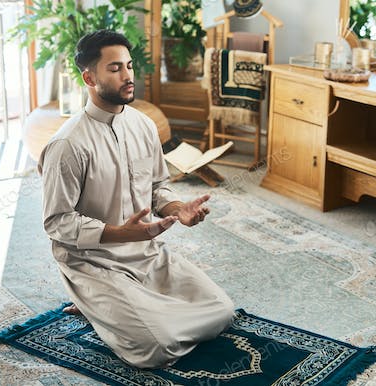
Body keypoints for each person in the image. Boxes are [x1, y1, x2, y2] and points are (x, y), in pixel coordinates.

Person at [37, 30, 234, 369]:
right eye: (115, 68)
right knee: (156, 346)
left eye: (128, 66)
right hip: (95, 263)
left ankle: (117, 310)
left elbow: (158, 187)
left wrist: (176, 209)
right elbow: (57, 222)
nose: (128, 76)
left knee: (223, 312)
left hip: (147, 254)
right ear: (89, 77)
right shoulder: (67, 145)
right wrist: (118, 233)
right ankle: (96, 304)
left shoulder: (143, 125)